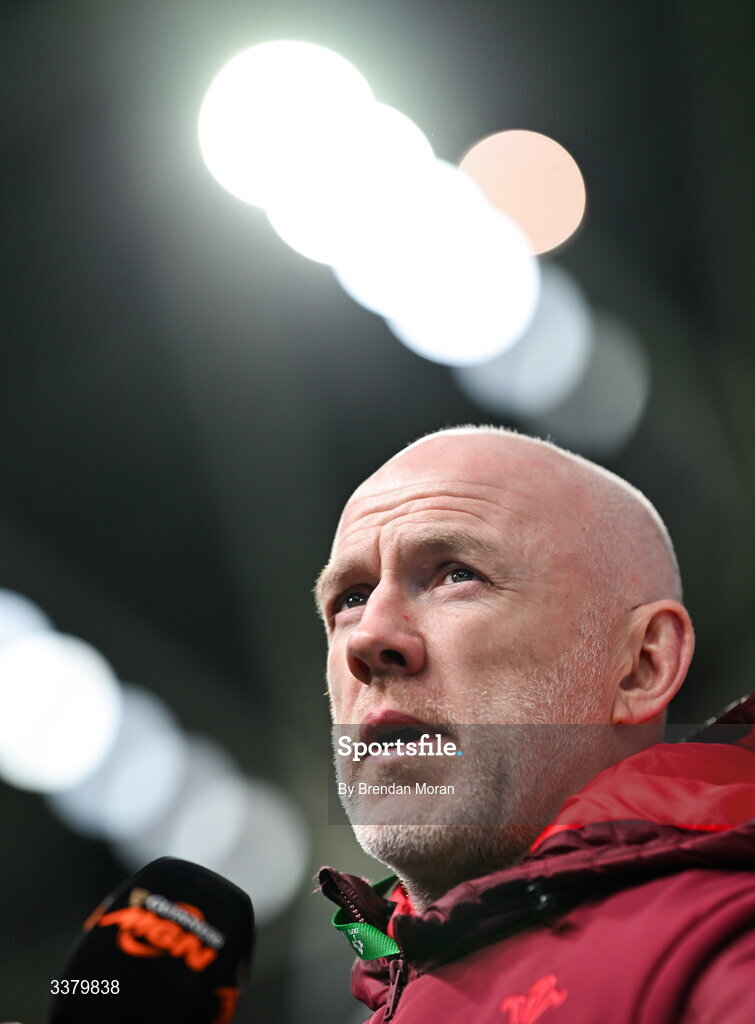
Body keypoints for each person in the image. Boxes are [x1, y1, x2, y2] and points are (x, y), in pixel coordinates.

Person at [314, 425, 755, 1023]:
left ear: (641, 667)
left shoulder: (726, 949)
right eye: (350, 598)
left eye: (456, 574)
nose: (367, 639)